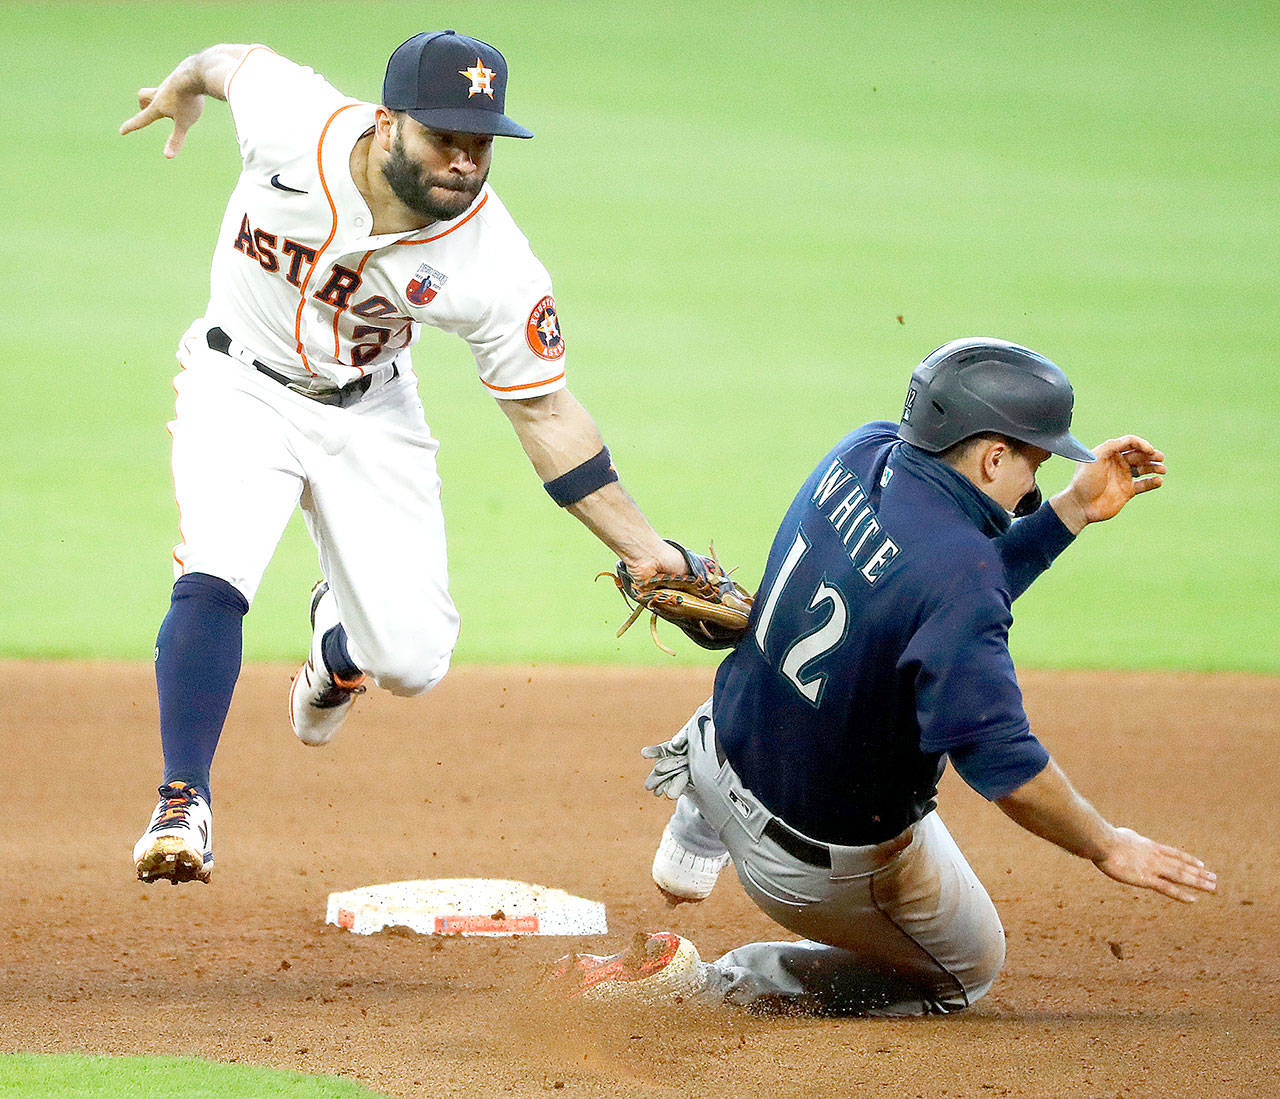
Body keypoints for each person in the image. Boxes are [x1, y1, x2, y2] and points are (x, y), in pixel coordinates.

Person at [121, 31, 689, 884]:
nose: (464, 161)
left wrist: (646, 551)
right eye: (444, 137)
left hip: (372, 409)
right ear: (387, 122)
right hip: (237, 384)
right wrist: (182, 85)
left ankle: (338, 638)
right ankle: (182, 801)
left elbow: (546, 413)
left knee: (413, 662)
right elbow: (224, 60)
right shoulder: (292, 120)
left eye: (481, 142)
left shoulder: (492, 259)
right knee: (217, 568)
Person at [553, 338, 1218, 1013]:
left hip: (721, 737)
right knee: (968, 967)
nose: (1035, 483)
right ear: (992, 457)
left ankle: (697, 821)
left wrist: (1071, 509)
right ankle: (700, 986)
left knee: (835, 679)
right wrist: (1108, 845)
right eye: (1035, 460)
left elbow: (933, 590)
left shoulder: (860, 450)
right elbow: (1007, 767)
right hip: (803, 860)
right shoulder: (960, 577)